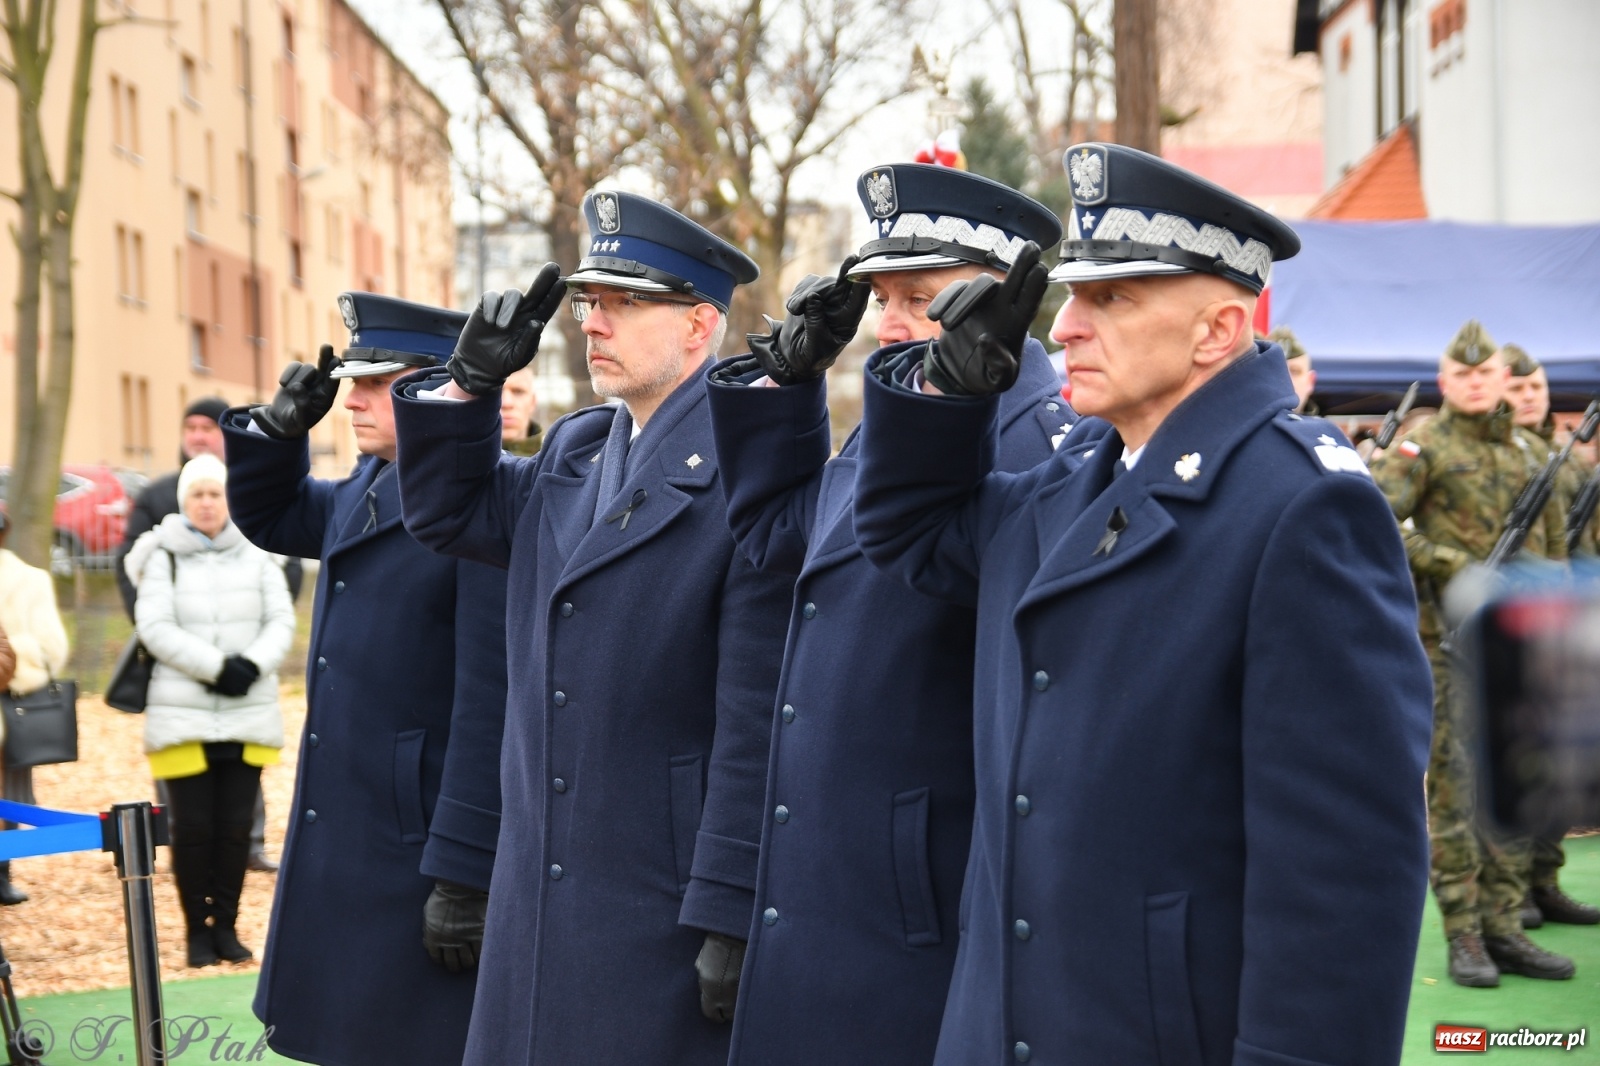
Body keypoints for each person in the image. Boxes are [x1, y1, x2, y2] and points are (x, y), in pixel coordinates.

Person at [851, 143, 1433, 1064]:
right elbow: (909, 534)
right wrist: (944, 395)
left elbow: (1343, 877)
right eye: (1073, 295)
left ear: (1218, 329)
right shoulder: (1069, 478)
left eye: (1111, 298)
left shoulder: (1302, 508)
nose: (1067, 326)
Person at [390, 190, 792, 1066]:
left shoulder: (747, 470)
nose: (592, 323)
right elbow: (446, 513)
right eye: (589, 302)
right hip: (540, 875)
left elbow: (756, 712)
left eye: (622, 302)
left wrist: (730, 903)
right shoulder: (576, 449)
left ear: (697, 324)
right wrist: (467, 387)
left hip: (656, 892)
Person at [702, 163, 1068, 1066]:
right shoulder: (904, 420)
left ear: (999, 299)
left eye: (921, 296)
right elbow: (776, 532)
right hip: (833, 877)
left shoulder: (1038, 438)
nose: (891, 324)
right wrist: (786, 384)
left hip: (923, 900)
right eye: (881, 297)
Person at [220, 293, 510, 1066]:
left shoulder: (481, 498)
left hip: (415, 843)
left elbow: (491, 700)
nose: (352, 398)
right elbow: (278, 517)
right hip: (348, 825)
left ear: (436, 389)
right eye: (353, 379)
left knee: (413, 1041)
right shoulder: (368, 484)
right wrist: (276, 435)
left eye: (377, 382)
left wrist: (464, 870)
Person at [1370, 320, 1575, 987]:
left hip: (1517, 643)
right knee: (1457, 792)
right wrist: (1455, 564)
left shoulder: (1524, 450)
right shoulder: (1422, 445)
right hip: (1445, 643)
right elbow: (1380, 524)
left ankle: (1506, 926)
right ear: (1445, 381)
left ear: (1499, 379)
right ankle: (1464, 935)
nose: (1475, 384)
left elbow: (1552, 550)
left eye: (1485, 374)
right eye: (1462, 376)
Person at [124, 455, 294, 967]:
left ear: (228, 498)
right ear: (183, 501)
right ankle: (197, 930)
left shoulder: (257, 551)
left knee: (236, 828)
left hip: (247, 710)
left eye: (214, 493)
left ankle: (229, 925)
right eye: (196, 494)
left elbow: (281, 619)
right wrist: (217, 667)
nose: (206, 503)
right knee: (192, 829)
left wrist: (252, 663)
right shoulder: (162, 556)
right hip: (183, 713)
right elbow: (154, 626)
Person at [1499, 343, 1600, 928]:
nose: (1532, 397)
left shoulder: (1566, 464)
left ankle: (1544, 879)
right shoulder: (1504, 458)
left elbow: (1579, 543)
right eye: (1520, 389)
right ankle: (1510, 894)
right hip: (1511, 626)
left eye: (1537, 387)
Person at [0, 510, 69, 906]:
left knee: (6, 792)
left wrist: (13, 662)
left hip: (12, 702)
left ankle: (2, 870)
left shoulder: (29, 580)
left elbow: (50, 650)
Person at [1268, 325, 1317, 413]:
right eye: (1277, 370)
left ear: (1310, 381)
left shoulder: (1324, 427)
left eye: (1295, 371)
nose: (1287, 379)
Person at [500, 366, 543, 455]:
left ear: (532, 402)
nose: (507, 403)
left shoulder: (556, 460)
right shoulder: (464, 460)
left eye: (518, 392)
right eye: (496, 392)